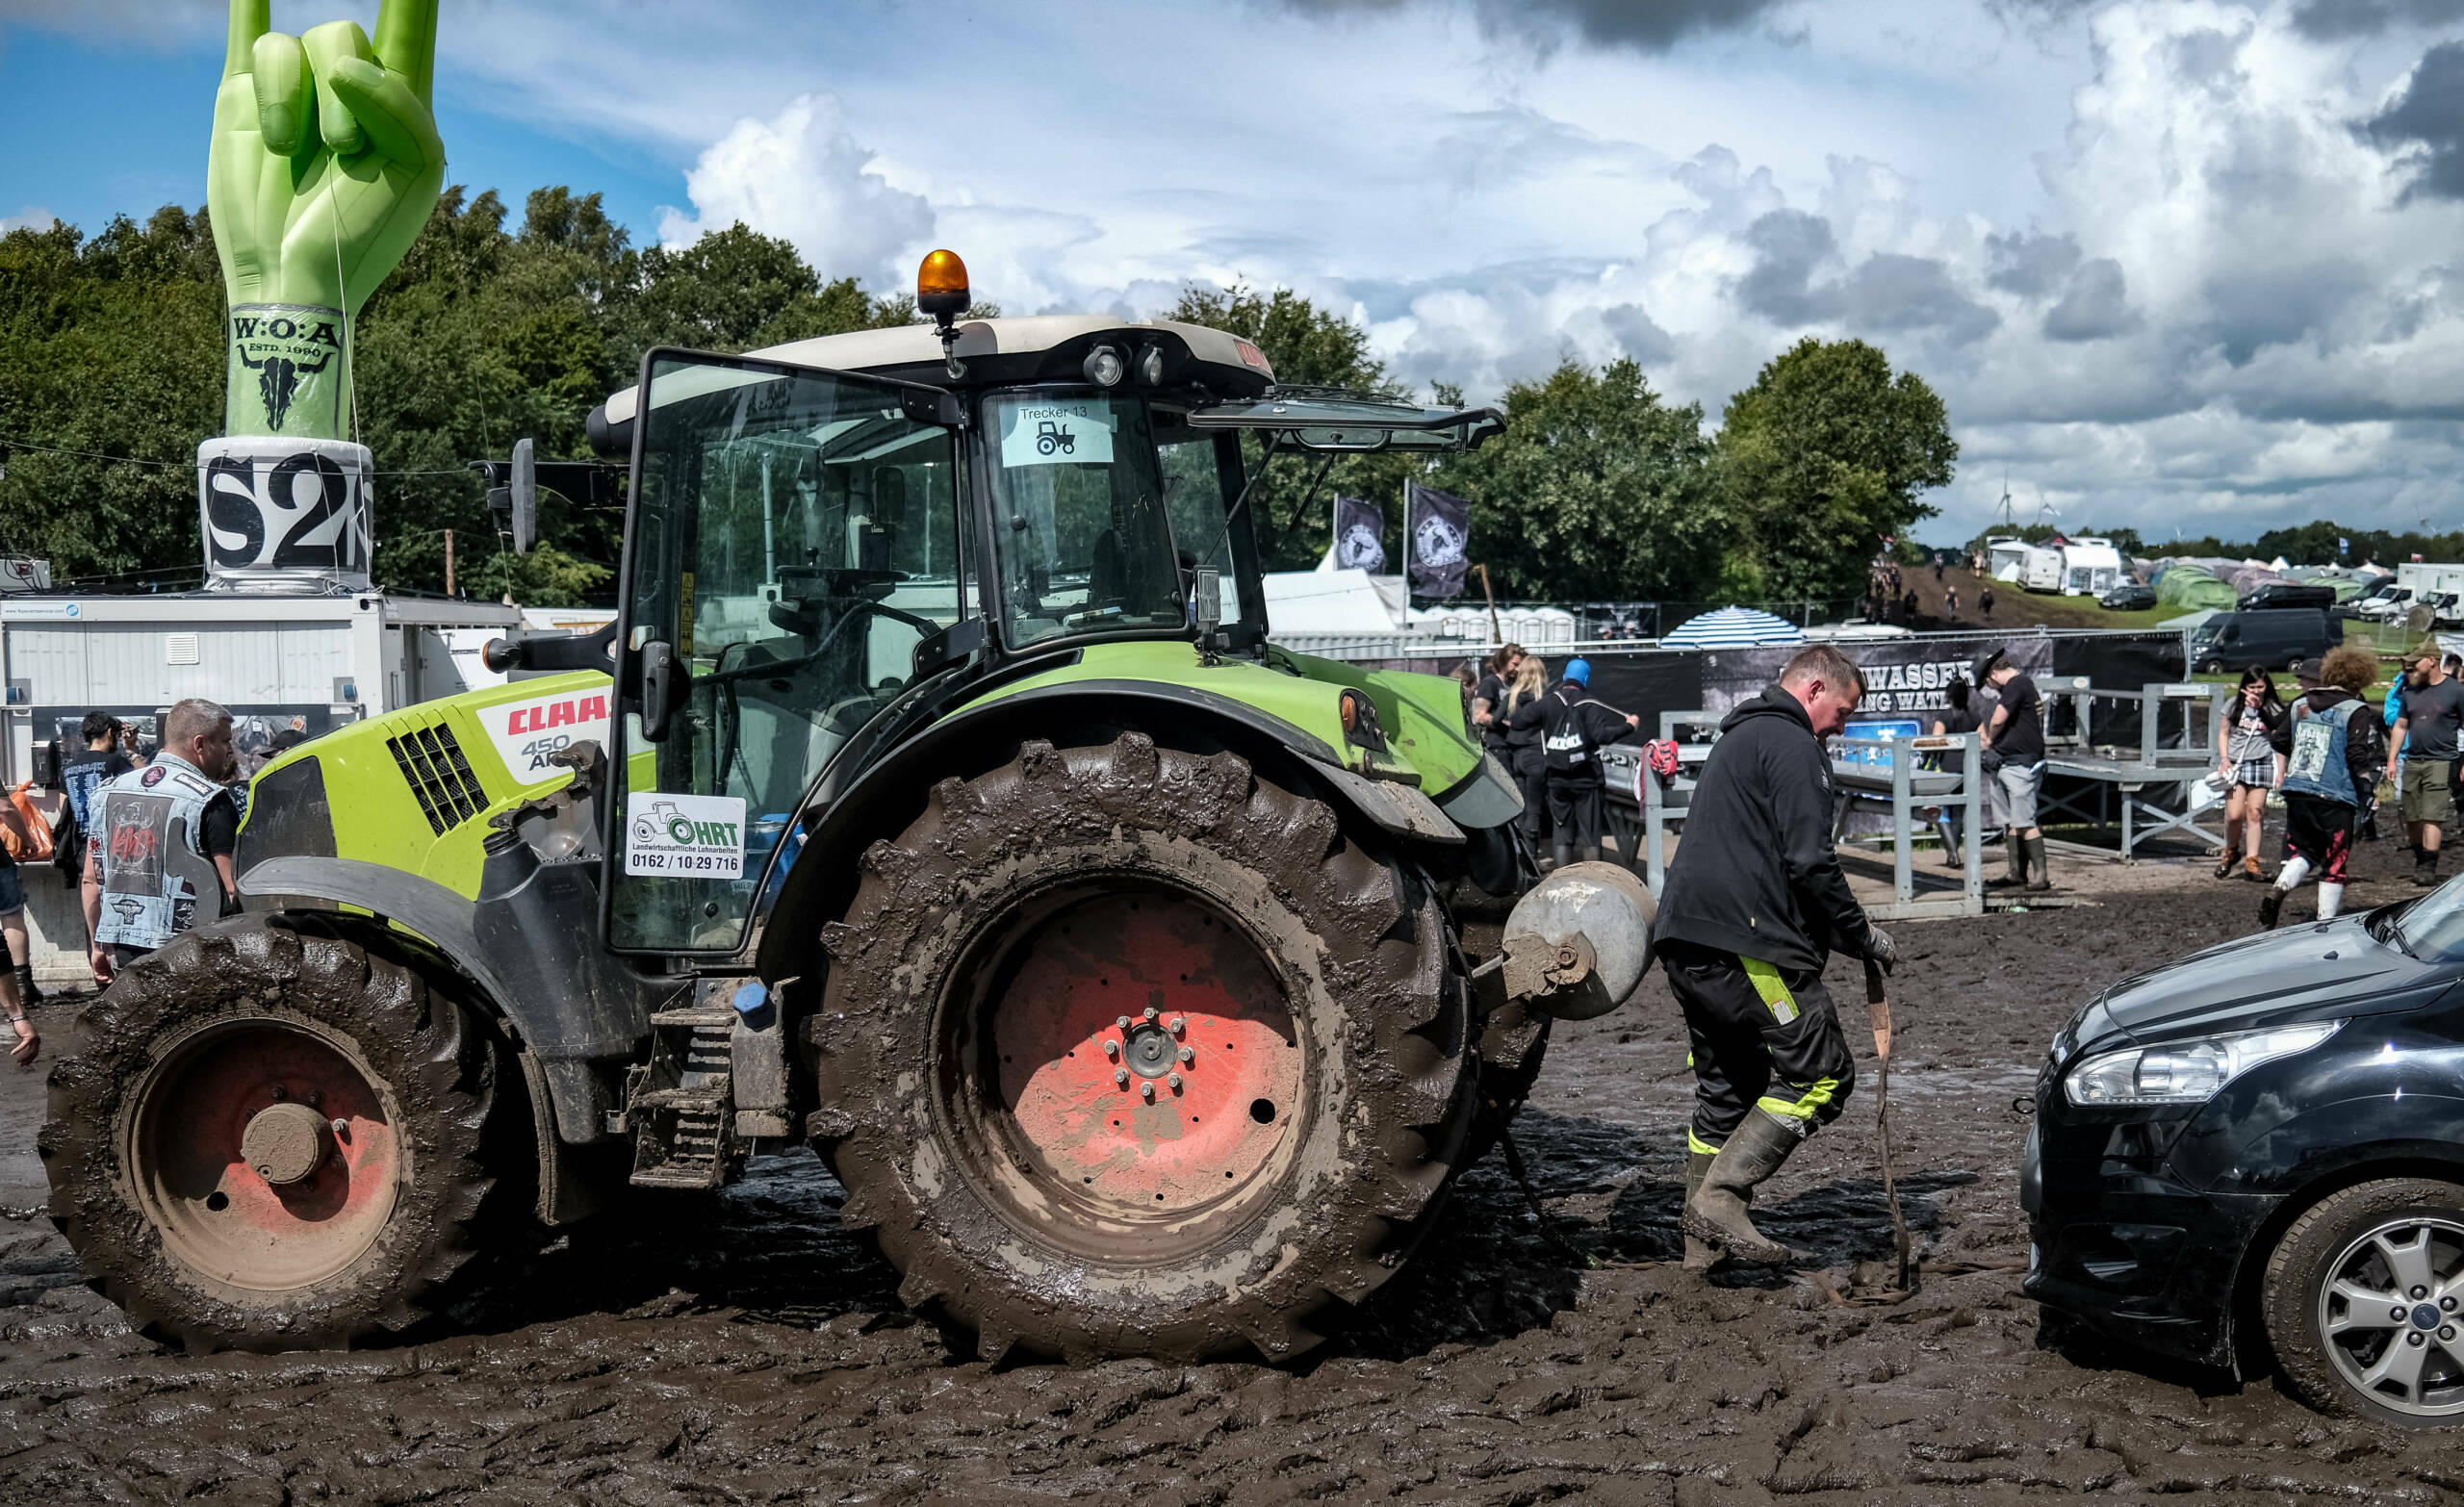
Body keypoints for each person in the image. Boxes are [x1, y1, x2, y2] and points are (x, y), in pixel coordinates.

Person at [1655, 645, 1892, 1268]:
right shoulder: (1792, 744)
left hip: (1686, 940)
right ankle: (1722, 1199)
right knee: (1823, 1075)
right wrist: (1859, 934)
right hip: (1746, 945)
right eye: (1843, 711)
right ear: (1814, 690)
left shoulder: (1742, 738)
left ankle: (1700, 1255)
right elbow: (1811, 861)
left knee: (1728, 1093)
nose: (1843, 727)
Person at [83, 698, 243, 983]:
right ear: (200, 744)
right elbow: (230, 889)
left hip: (123, 946)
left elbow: (92, 880)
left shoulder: (106, 793)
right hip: (189, 952)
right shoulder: (210, 800)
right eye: (225, 741)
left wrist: (97, 946)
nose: (230, 750)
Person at [2261, 650, 2386, 928]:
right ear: (2358, 681)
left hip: (2297, 790)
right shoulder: (2355, 709)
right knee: (2335, 860)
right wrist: (2367, 788)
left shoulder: (2301, 704)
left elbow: (2279, 739)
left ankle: (2279, 888)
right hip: (2335, 794)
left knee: (2305, 851)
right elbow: (2356, 754)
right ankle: (2325, 922)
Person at [1511, 657, 1638, 869]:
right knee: (1591, 835)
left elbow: (1517, 722)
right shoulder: (1590, 705)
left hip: (1557, 779)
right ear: (1586, 679)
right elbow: (1602, 736)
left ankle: (1562, 879)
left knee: (1562, 831)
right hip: (1587, 780)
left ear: (1563, 677)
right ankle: (1594, 882)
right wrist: (1629, 727)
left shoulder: (1548, 702)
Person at [1976, 646, 2052, 891]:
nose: (1992, 689)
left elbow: (1998, 719)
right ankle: (2016, 873)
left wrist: (1990, 741)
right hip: (2007, 763)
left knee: (2025, 821)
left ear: (1993, 674)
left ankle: (2040, 876)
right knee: (2010, 822)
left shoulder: (2018, 684)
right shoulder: (2018, 687)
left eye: (1988, 684)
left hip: (2021, 765)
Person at [2389, 642, 2464, 886]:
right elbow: (2401, 725)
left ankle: (2428, 865)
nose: (2411, 666)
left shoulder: (2455, 691)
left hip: (2442, 760)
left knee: (2433, 814)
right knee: (2410, 814)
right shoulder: (2411, 691)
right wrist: (2392, 758)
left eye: (2416, 661)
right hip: (2412, 759)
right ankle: (2421, 856)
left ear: (2431, 660)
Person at [2214, 667, 2286, 881]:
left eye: (2260, 686)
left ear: (2267, 686)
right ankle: (2232, 851)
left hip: (2261, 763)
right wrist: (2224, 758)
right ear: (2244, 687)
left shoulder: (2272, 707)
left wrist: (2281, 770)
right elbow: (2224, 732)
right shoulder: (2233, 705)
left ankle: (2252, 861)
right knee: (2234, 815)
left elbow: (2280, 739)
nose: (2256, 691)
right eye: (2252, 687)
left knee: (2255, 812)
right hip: (2236, 763)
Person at [1501, 656, 1553, 853]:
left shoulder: (1513, 695)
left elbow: (1497, 718)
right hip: (1536, 756)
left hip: (1517, 756)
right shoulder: (1541, 699)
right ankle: (1532, 853)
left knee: (1521, 807)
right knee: (1534, 808)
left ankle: (1521, 854)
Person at [1931, 677, 1981, 865]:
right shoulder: (1974, 717)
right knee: (1959, 812)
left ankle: (1951, 853)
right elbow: (1984, 741)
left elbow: (1936, 741)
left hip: (1946, 768)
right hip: (1967, 767)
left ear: (1949, 695)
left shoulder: (1945, 716)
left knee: (1941, 810)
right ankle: (1954, 852)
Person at [1471, 642, 1525, 769]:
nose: (1517, 669)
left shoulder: (1510, 685)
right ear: (1503, 661)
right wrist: (1507, 725)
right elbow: (1479, 716)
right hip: (1497, 747)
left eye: (1520, 666)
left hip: (1509, 746)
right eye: (1515, 664)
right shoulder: (1490, 683)